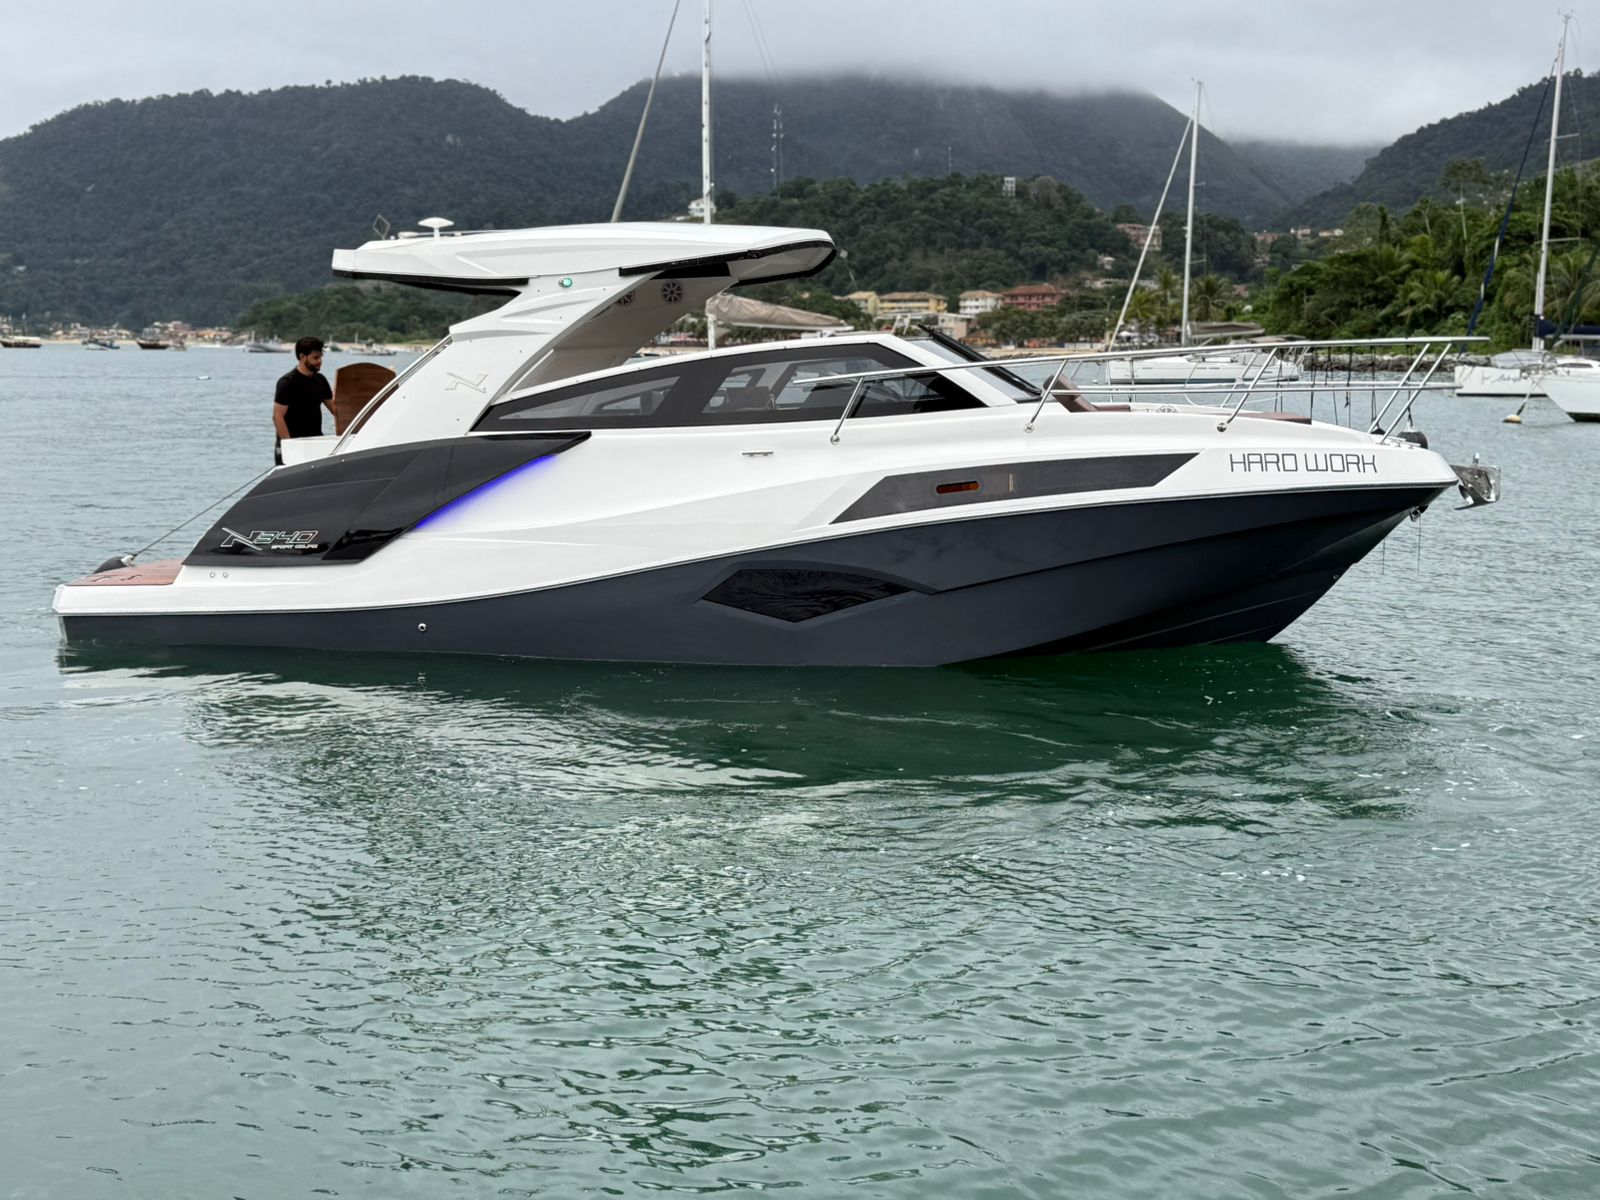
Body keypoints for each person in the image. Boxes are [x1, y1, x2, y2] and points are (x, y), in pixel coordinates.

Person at [272, 336, 335, 464]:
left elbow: (335, 409)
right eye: (315, 358)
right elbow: (278, 417)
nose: (320, 361)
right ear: (302, 357)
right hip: (291, 445)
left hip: (315, 443)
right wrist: (290, 446)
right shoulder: (287, 382)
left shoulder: (321, 380)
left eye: (321, 357)